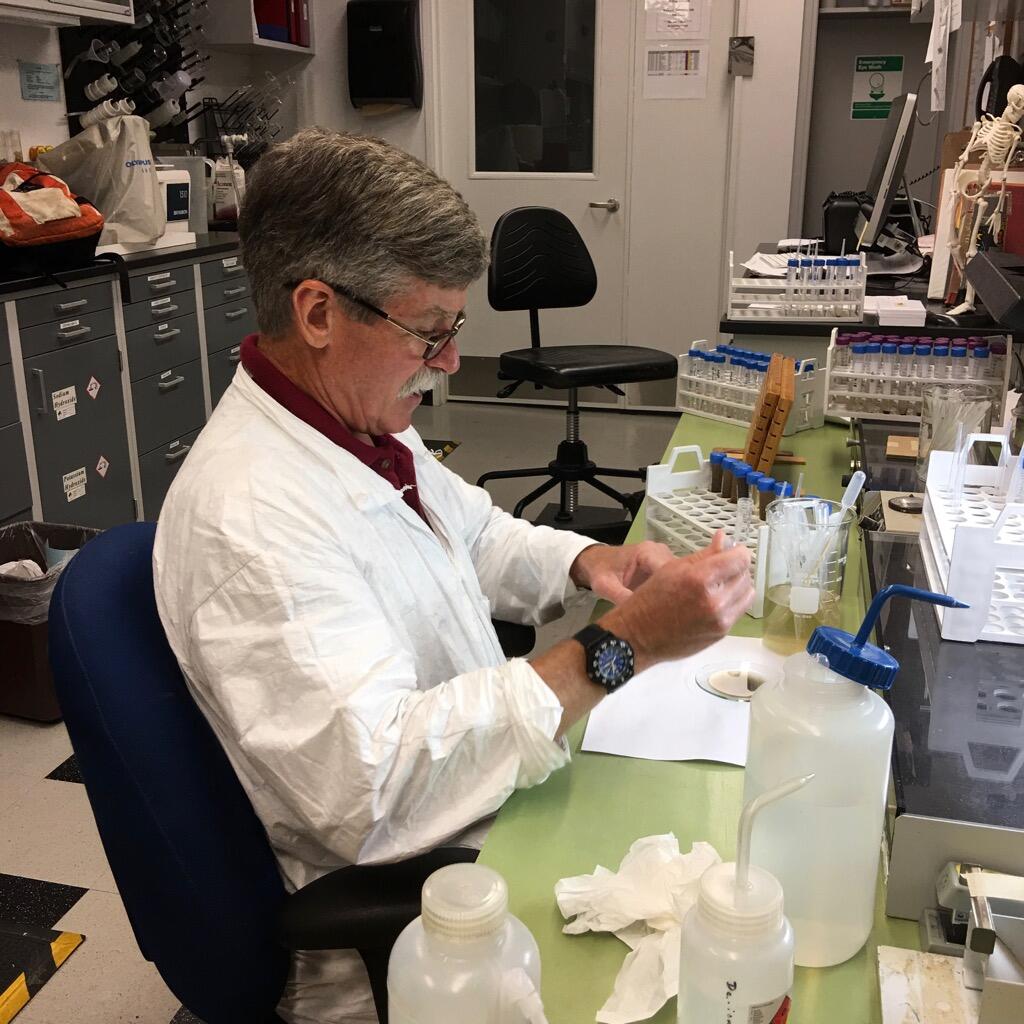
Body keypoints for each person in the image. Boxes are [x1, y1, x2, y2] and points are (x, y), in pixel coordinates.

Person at [153, 128, 754, 1024]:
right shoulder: (252, 521)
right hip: (424, 930)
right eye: (429, 334)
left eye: (454, 329)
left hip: (488, 809)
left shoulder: (353, 425)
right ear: (318, 313)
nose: (447, 364)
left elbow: (470, 530)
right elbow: (375, 792)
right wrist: (618, 649)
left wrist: (591, 560)